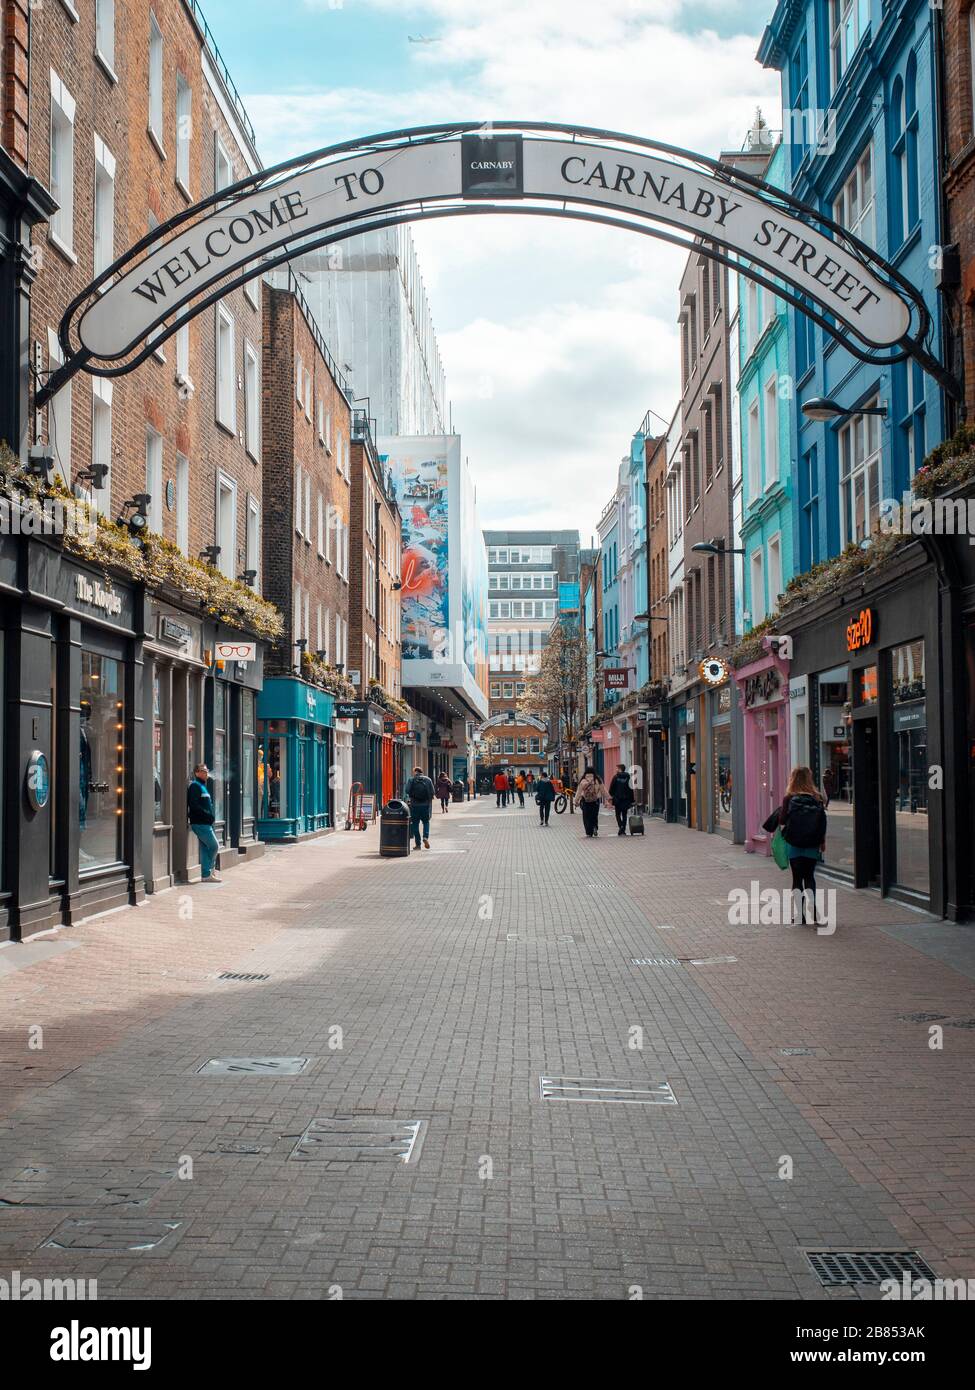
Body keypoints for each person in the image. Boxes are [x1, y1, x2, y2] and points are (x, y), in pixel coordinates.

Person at [774, 766, 828, 925]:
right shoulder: (817, 797)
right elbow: (822, 822)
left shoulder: (789, 798)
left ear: (793, 779)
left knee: (797, 879)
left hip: (794, 843)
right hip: (812, 844)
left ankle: (799, 915)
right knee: (810, 877)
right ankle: (814, 913)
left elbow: (782, 821)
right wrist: (822, 842)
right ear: (809, 779)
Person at [187, 763, 222, 883]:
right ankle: (208, 871)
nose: (206, 773)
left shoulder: (202, 786)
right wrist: (207, 815)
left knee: (204, 848)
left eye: (207, 771)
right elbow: (194, 805)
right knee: (214, 846)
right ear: (196, 773)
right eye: (203, 771)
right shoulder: (195, 786)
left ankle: (206, 874)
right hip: (200, 823)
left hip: (204, 823)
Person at [405, 765, 435, 849]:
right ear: (421, 772)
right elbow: (433, 792)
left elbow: (407, 790)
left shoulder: (411, 780)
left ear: (415, 772)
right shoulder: (428, 780)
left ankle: (418, 844)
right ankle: (425, 837)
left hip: (414, 805)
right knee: (426, 822)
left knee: (415, 824)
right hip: (425, 805)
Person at [574, 765, 608, 838]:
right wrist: (609, 798)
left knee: (586, 816)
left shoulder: (583, 780)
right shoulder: (597, 779)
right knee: (594, 815)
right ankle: (595, 827)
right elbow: (603, 790)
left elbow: (579, 791)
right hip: (595, 801)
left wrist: (576, 801)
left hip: (585, 801)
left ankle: (589, 832)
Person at [608, 763, 635, 836]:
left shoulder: (615, 777)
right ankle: (623, 828)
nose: (616, 770)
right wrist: (632, 800)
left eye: (617, 768)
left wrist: (612, 795)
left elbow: (611, 789)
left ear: (620, 769)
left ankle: (621, 827)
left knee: (617, 814)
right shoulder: (628, 777)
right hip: (626, 799)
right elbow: (631, 789)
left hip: (618, 799)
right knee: (624, 814)